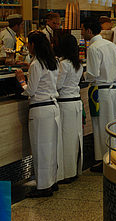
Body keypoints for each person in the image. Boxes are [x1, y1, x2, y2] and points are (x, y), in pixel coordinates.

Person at [15, 31, 60, 198]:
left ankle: (43, 187)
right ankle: (52, 181)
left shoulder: (36, 64)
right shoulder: (53, 61)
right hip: (53, 108)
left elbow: (31, 91)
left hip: (40, 109)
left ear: (33, 45)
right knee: (52, 148)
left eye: (28, 43)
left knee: (40, 149)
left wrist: (21, 80)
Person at [82, 17, 116, 172]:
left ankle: (104, 160)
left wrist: (82, 74)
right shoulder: (110, 45)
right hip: (113, 90)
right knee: (113, 125)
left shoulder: (93, 48)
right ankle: (113, 157)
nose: (82, 32)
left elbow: (92, 73)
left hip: (101, 91)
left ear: (89, 31)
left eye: (83, 29)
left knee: (101, 126)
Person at [55, 33, 84, 184]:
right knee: (74, 139)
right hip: (76, 103)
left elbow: (58, 85)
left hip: (65, 103)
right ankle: (73, 171)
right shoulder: (77, 64)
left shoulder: (63, 64)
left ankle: (66, 173)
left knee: (65, 140)